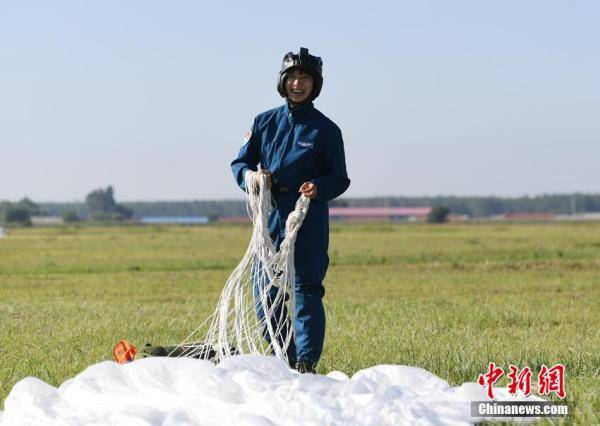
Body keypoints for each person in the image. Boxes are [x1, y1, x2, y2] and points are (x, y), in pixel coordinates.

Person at [231, 47, 350, 373]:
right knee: (264, 293)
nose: (298, 83)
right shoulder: (264, 123)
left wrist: (319, 187)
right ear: (283, 82)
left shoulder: (326, 131)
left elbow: (340, 178)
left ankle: (307, 363)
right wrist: (252, 178)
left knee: (306, 290)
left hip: (307, 221)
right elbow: (239, 164)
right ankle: (286, 356)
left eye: (305, 78)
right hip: (269, 220)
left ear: (315, 84)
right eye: (293, 77)